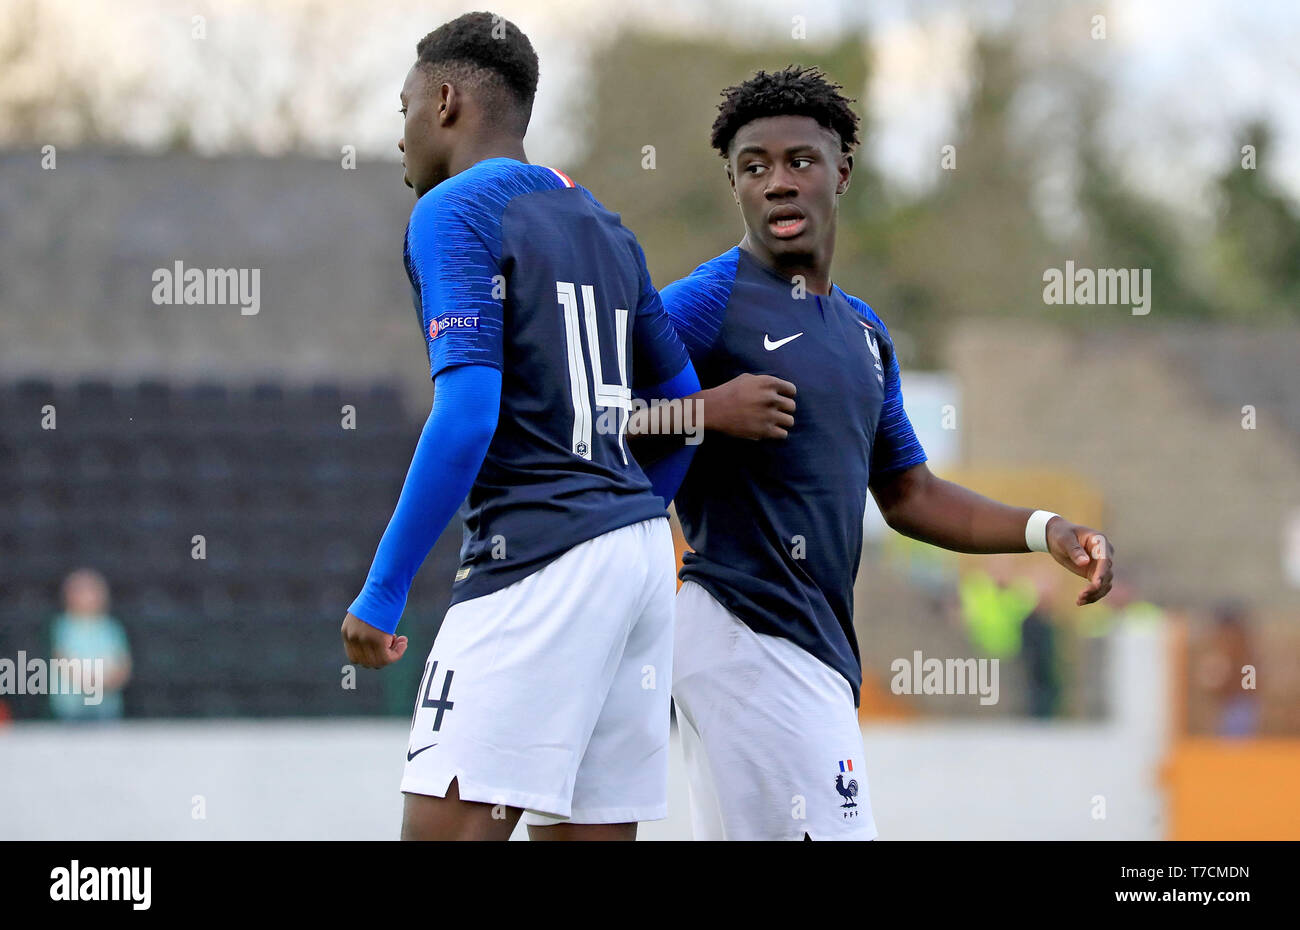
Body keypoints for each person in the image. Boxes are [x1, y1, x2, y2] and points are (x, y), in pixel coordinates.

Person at [642, 66, 1115, 840]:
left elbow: (910, 495)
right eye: (753, 168)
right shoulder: (703, 304)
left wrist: (1047, 530)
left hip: (812, 647)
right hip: (745, 633)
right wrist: (705, 411)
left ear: (842, 172)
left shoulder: (864, 334)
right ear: (735, 186)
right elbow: (593, 416)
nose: (777, 183)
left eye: (799, 161)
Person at [338, 12, 708, 841]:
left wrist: (384, 591)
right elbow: (684, 408)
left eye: (402, 107)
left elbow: (467, 417)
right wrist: (629, 515)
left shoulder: (451, 212)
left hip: (537, 560)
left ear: (443, 101)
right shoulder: (604, 222)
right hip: (642, 562)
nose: (399, 136)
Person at [49, 568, 131, 721]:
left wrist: (108, 681)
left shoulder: (112, 628)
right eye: (80, 591)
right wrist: (89, 682)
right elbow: (62, 660)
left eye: (92, 591)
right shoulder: (63, 627)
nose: (87, 597)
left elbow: (123, 665)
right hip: (71, 708)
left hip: (106, 708)